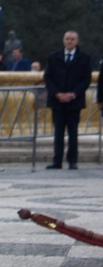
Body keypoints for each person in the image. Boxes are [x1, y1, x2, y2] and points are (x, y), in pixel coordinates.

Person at [43, 30, 93, 170]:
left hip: (74, 101)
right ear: (63, 40)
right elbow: (48, 77)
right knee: (58, 132)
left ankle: (72, 160)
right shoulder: (54, 57)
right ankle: (57, 160)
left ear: (77, 41)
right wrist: (57, 93)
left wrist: (73, 94)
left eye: (72, 39)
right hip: (57, 101)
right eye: (67, 39)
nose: (69, 41)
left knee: (73, 132)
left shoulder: (84, 58)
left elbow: (86, 79)